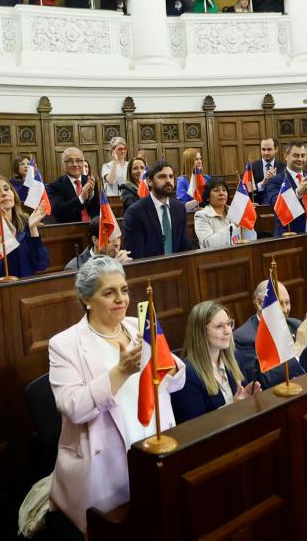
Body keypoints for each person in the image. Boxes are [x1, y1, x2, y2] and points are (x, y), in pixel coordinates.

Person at [47, 256, 186, 534]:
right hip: (104, 462)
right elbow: (73, 407)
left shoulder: (139, 325)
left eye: (123, 290)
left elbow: (173, 377)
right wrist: (120, 372)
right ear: (86, 299)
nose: (120, 299)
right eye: (108, 293)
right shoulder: (65, 344)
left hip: (154, 439)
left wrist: (171, 369)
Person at [171, 301, 261, 423]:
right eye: (219, 326)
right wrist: (233, 408)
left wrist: (252, 398)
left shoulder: (236, 357)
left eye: (229, 324)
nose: (228, 331)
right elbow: (194, 428)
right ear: (201, 331)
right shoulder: (187, 374)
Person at [234, 279, 307, 388]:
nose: (285, 310)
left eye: (287, 303)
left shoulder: (296, 325)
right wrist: (298, 347)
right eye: (280, 303)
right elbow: (265, 382)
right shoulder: (245, 338)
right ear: (260, 303)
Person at [0, 175, 50, 282]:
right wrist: (8, 238)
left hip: (27, 287)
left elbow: (42, 264)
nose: (4, 193)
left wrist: (33, 229)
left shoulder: (25, 222)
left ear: (13, 194)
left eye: (6, 189)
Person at [121, 161, 190, 258]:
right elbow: (135, 254)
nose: (168, 180)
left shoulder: (179, 208)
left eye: (171, 176)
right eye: (162, 176)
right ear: (149, 181)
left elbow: (185, 246)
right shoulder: (135, 212)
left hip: (178, 268)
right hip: (150, 270)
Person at [194, 179, 256, 249]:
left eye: (224, 190)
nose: (221, 193)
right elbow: (209, 244)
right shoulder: (201, 216)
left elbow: (252, 239)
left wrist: (246, 220)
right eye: (216, 190)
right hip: (216, 257)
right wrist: (235, 224)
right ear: (207, 197)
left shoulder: (236, 211)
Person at [47, 147, 100, 224]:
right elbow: (58, 211)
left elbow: (100, 208)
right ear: (63, 164)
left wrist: (91, 195)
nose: (75, 164)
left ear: (82, 163)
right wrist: (81, 198)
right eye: (70, 161)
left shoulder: (90, 181)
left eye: (78, 160)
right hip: (69, 229)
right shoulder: (55, 186)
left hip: (94, 227)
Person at [65, 216, 132, 270]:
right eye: (111, 239)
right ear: (95, 240)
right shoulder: (75, 267)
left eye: (118, 237)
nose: (117, 243)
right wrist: (115, 267)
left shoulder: (123, 259)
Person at [248, 138, 286, 205]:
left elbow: (289, 190)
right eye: (263, 149)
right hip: (259, 208)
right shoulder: (251, 167)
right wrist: (261, 185)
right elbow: (247, 189)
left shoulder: (284, 168)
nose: (266, 153)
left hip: (279, 206)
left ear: (276, 149)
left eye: (269, 149)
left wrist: (275, 180)